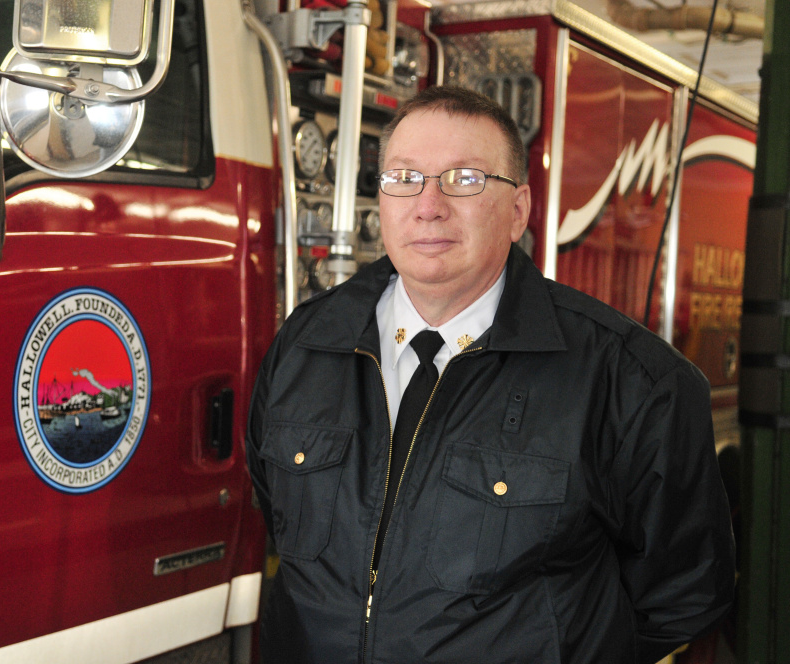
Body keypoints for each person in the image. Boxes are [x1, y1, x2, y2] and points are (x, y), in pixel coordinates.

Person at [245, 85, 735, 664]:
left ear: (519, 210)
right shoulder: (305, 345)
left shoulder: (628, 379)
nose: (428, 205)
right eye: (405, 178)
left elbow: (683, 593)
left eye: (465, 179)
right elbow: (278, 521)